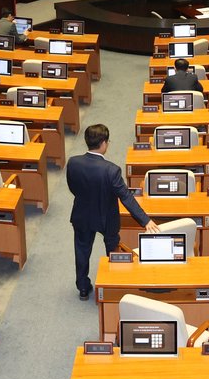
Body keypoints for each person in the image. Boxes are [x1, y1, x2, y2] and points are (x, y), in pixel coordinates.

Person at [67, 123, 159, 299]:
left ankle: (83, 288)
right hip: (106, 217)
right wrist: (146, 220)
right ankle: (113, 283)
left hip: (82, 215)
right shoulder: (111, 170)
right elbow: (126, 197)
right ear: (103, 143)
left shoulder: (73, 163)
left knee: (82, 250)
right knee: (112, 249)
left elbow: (73, 188)